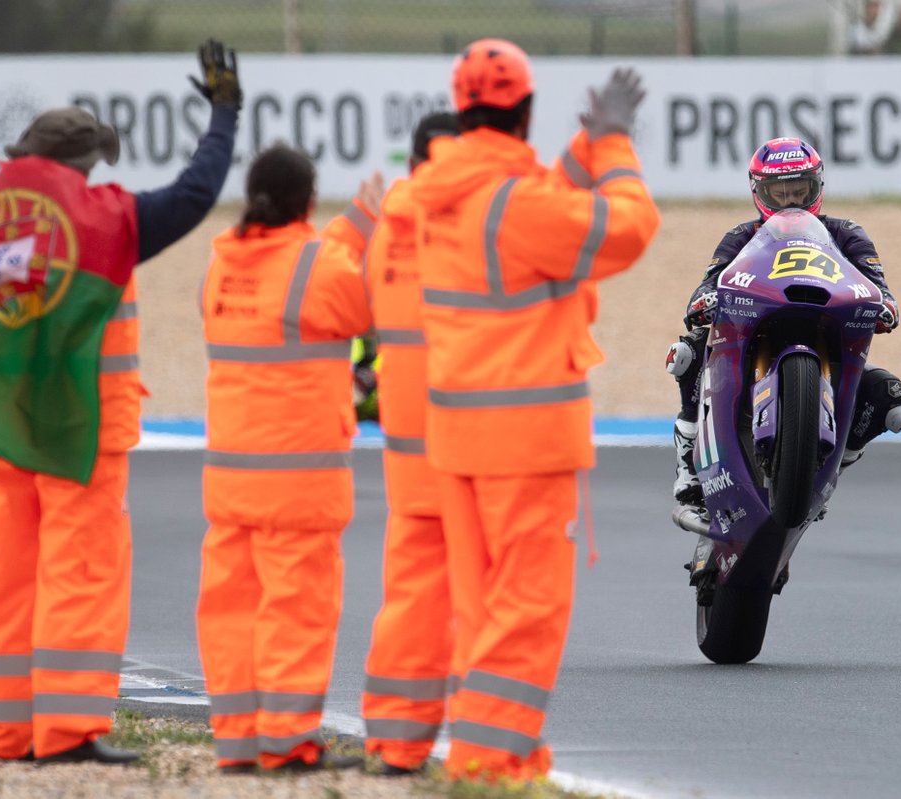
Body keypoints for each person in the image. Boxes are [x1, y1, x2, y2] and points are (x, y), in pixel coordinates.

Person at [0, 41, 242, 764]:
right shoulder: (109, 220)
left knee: (5, 565)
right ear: (88, 165)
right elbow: (196, 192)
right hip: (83, 432)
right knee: (80, 570)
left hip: (7, 425)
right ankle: (69, 730)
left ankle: (3, 729)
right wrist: (225, 115)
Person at [408, 39, 660, 781]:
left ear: (461, 109)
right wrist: (613, 143)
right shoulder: (513, 203)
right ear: (524, 110)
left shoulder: (443, 191)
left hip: (458, 441)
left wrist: (584, 148)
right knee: (526, 612)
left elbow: (541, 202)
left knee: (482, 609)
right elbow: (625, 227)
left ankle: (492, 755)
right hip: (524, 442)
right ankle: (490, 768)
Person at [196, 144, 383, 773]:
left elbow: (297, 268)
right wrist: (366, 230)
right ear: (307, 200)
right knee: (295, 611)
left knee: (230, 609)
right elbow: (363, 306)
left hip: (230, 477)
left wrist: (354, 225)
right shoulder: (320, 266)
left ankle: (240, 740)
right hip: (299, 478)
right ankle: (286, 741)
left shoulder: (220, 267)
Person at [666, 136, 901, 509]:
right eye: (778, 193)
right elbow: (709, 281)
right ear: (758, 192)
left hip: (826, 326)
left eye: (800, 191)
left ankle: (831, 471)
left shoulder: (847, 233)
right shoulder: (740, 236)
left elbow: (877, 283)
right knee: (688, 352)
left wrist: (885, 305)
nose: (790, 202)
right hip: (757, 324)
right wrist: (704, 300)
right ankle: (688, 466)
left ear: (817, 187)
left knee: (889, 398)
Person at [359, 111, 460, 777]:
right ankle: (485, 751)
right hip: (470, 437)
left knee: (410, 595)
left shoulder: (385, 230)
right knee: (491, 599)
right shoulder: (467, 227)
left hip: (406, 441)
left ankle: (395, 741)